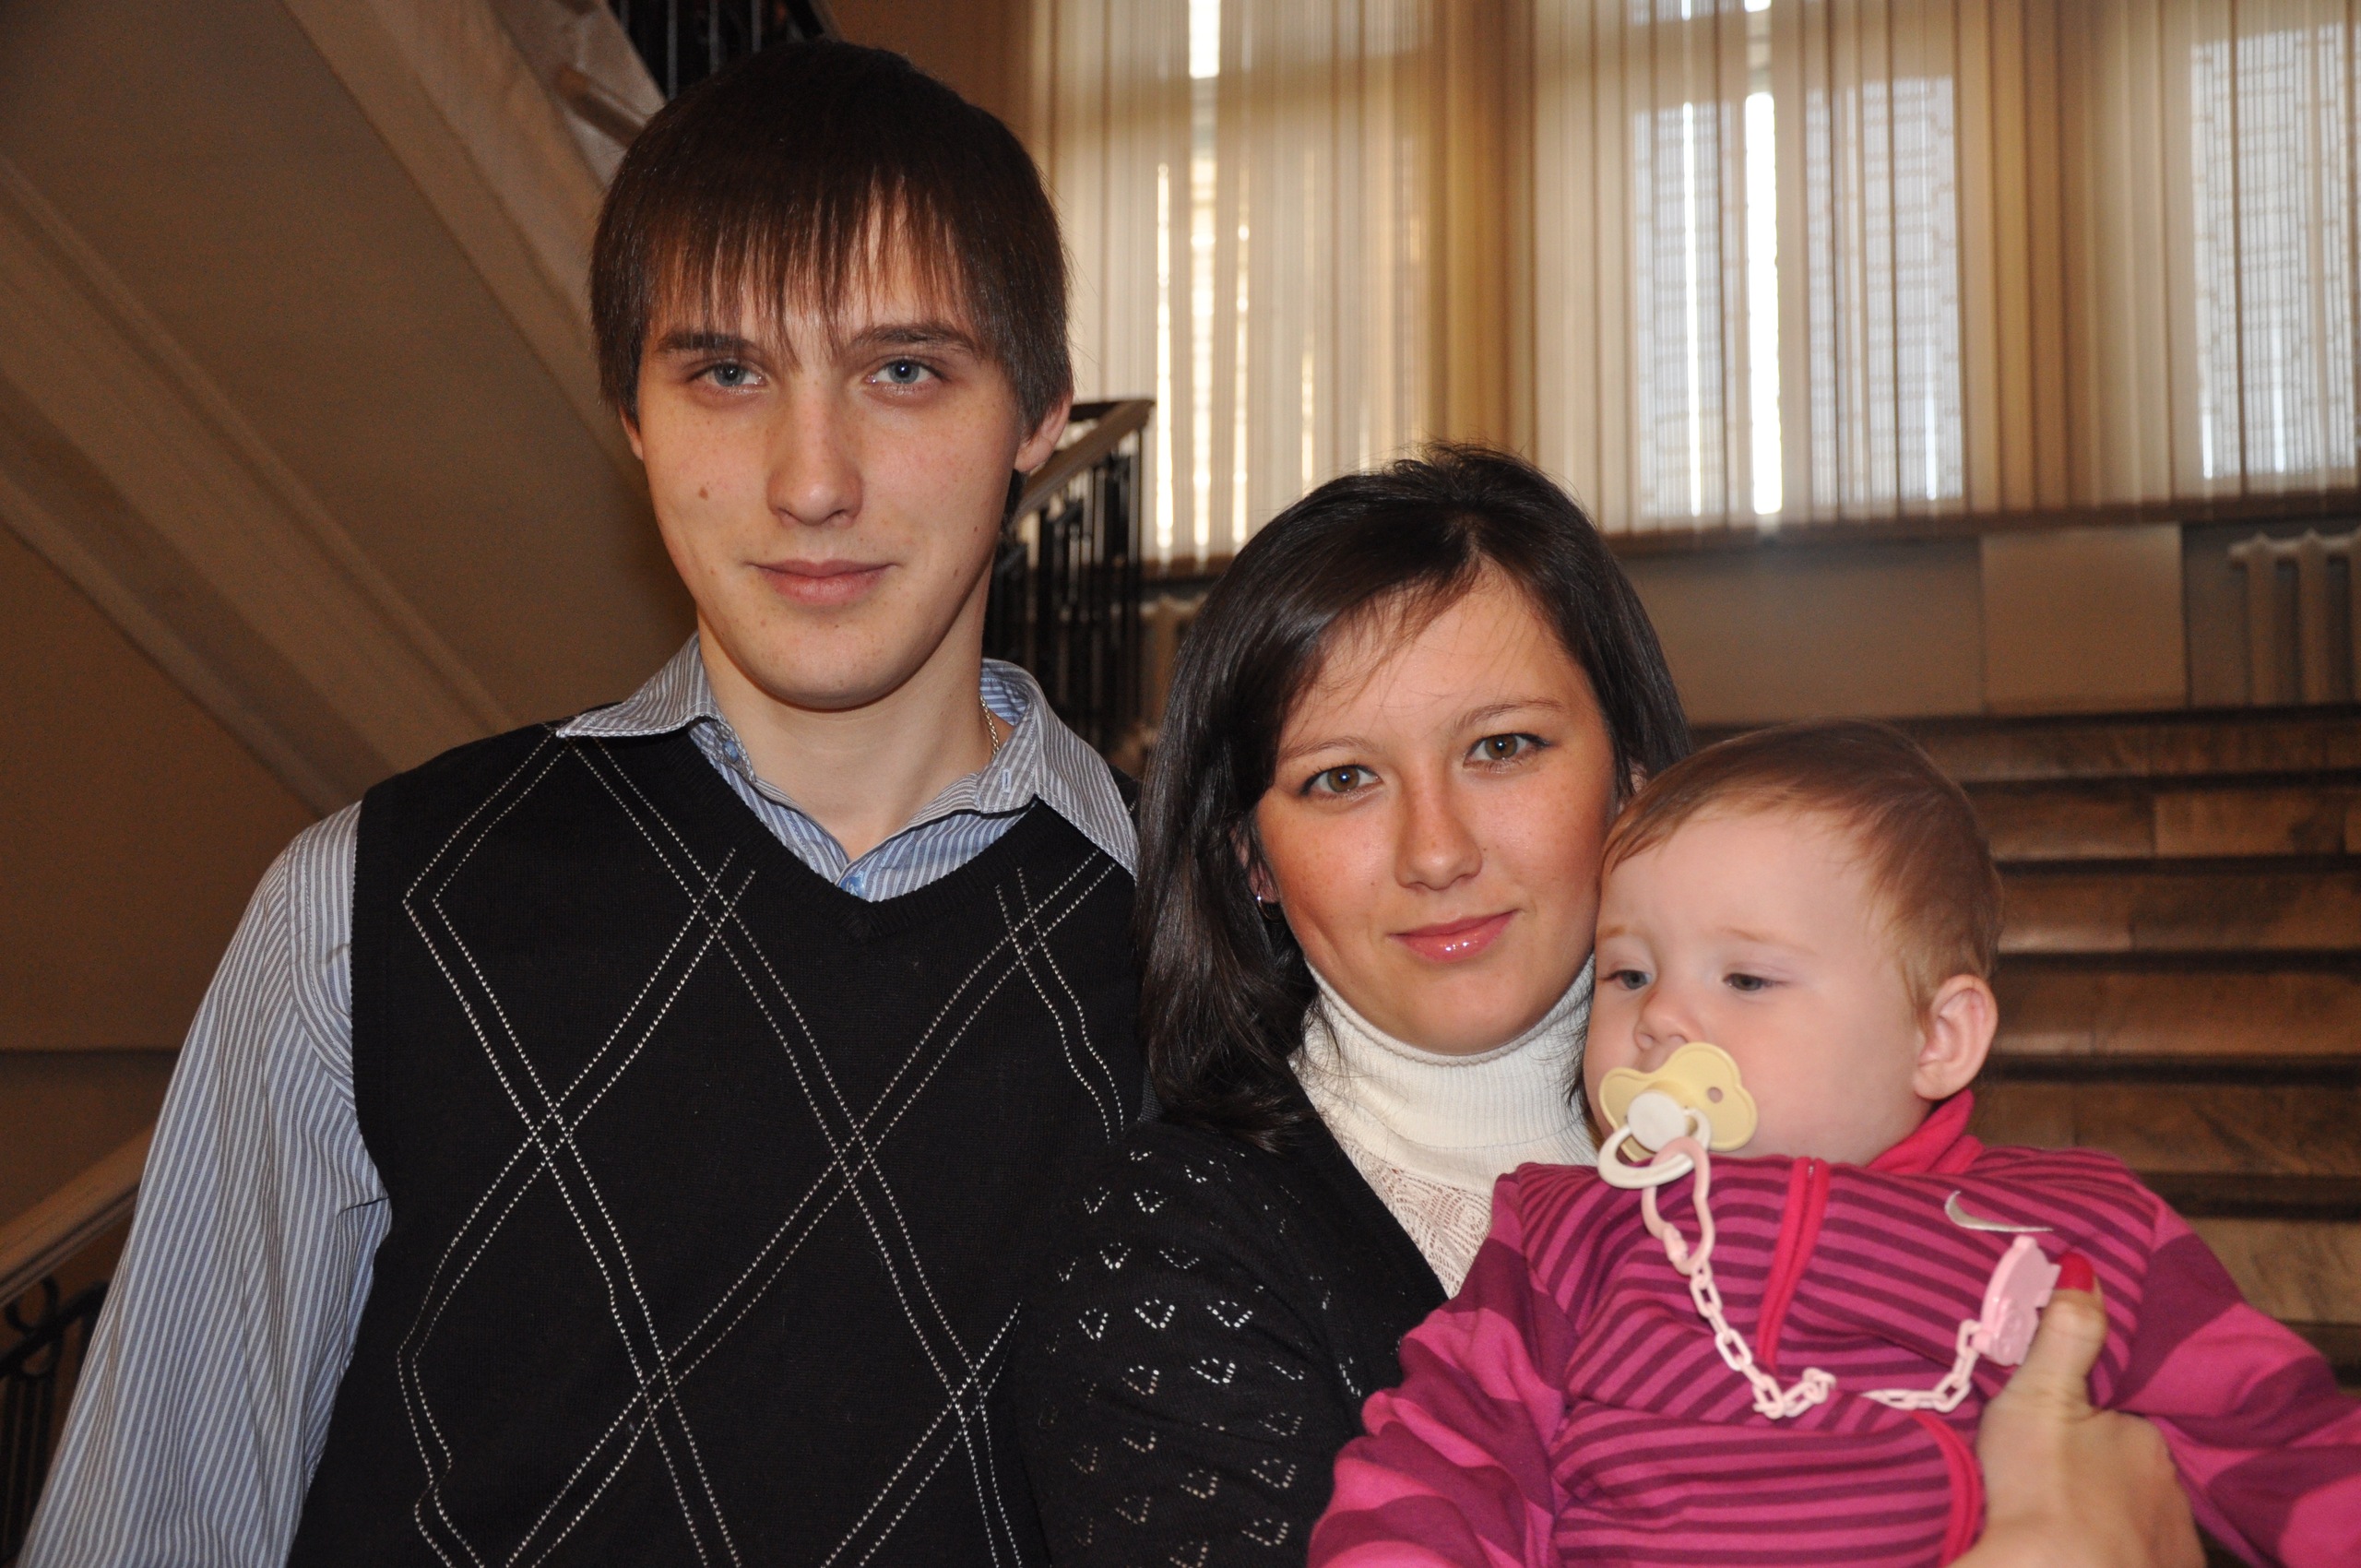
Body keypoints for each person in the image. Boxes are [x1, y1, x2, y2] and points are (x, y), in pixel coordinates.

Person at [25, 42, 1142, 1567]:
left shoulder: (1203, 950)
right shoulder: (365, 914)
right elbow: (157, 1526)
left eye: (903, 371)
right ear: (632, 417)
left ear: (1040, 417)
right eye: (726, 373)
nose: (812, 480)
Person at [1011, 448, 2203, 1568]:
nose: (1437, 851)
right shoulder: (1165, 1245)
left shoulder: (1860, 1138)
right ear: (1251, 858)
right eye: (1342, 778)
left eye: (1503, 747)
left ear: (1634, 781)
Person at [1310, 720, 2361, 1566]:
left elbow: (2286, 1440)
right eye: (1628, 972)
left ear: (1937, 1038)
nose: (1661, 1017)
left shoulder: (2083, 1227)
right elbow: (1446, 1460)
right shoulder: (1565, 1231)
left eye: (1746, 977)